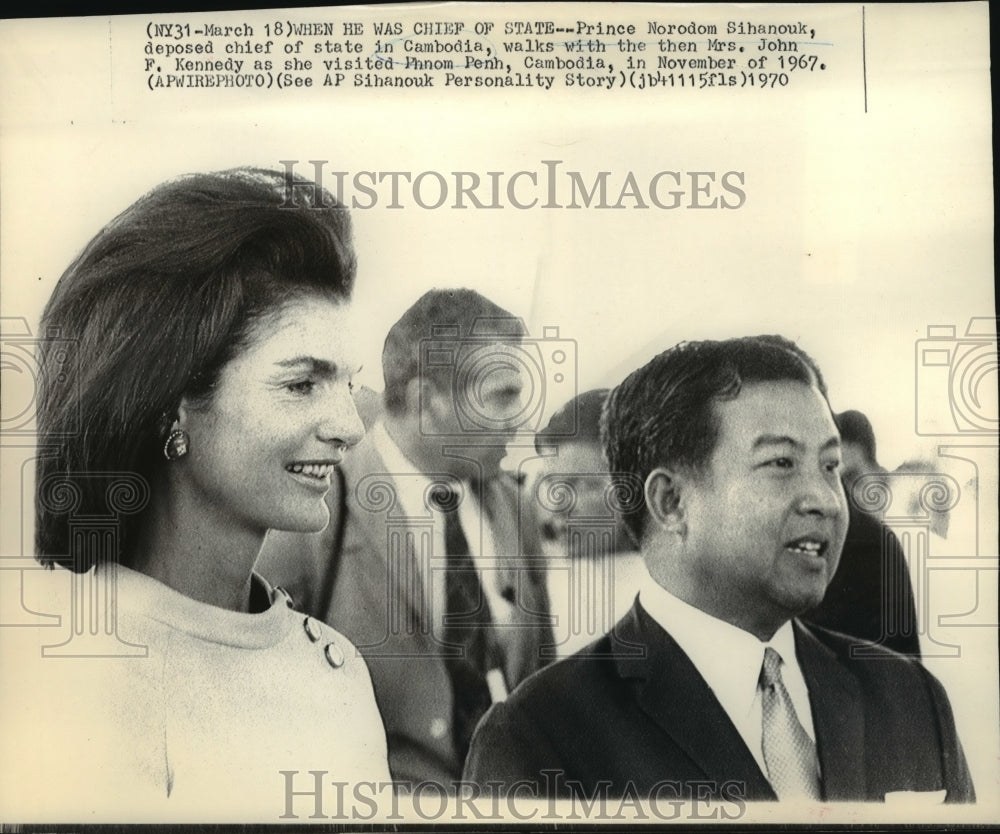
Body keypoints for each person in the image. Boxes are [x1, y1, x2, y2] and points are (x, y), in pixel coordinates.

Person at [0, 168, 390, 820]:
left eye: (347, 384)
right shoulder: (63, 672)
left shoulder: (336, 669)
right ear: (172, 410)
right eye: (301, 385)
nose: (349, 426)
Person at [464, 336, 974, 804]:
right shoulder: (539, 737)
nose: (825, 500)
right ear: (671, 502)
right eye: (780, 464)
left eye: (830, 467)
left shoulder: (911, 702)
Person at [259, 288, 552, 787]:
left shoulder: (512, 508)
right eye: (503, 394)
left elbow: (545, 687)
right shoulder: (311, 510)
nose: (521, 419)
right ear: (426, 400)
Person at [533, 388, 647, 657]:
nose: (556, 505)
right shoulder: (540, 591)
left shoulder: (686, 594)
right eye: (552, 484)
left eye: (577, 484)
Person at [801, 410, 921, 656]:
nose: (841, 500)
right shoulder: (827, 556)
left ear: (880, 475)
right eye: (835, 479)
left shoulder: (894, 545)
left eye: (853, 478)